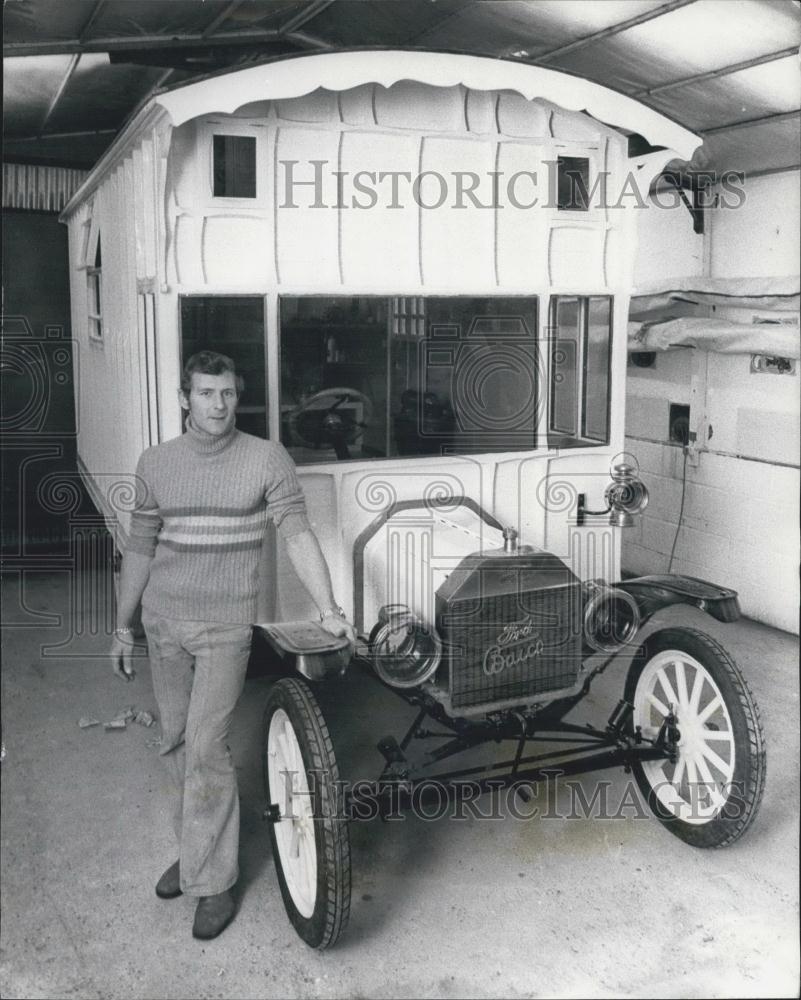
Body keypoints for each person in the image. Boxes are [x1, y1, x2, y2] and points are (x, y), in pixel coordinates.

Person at [109, 350, 356, 940]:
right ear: (184, 398)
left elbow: (296, 535)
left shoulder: (266, 458)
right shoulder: (156, 462)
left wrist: (328, 609)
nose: (217, 405)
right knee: (174, 741)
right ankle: (197, 855)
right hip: (165, 623)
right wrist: (123, 626)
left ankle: (215, 883)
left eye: (226, 393)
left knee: (207, 747)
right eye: (204, 393)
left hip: (225, 627)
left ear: (236, 396)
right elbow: (141, 547)